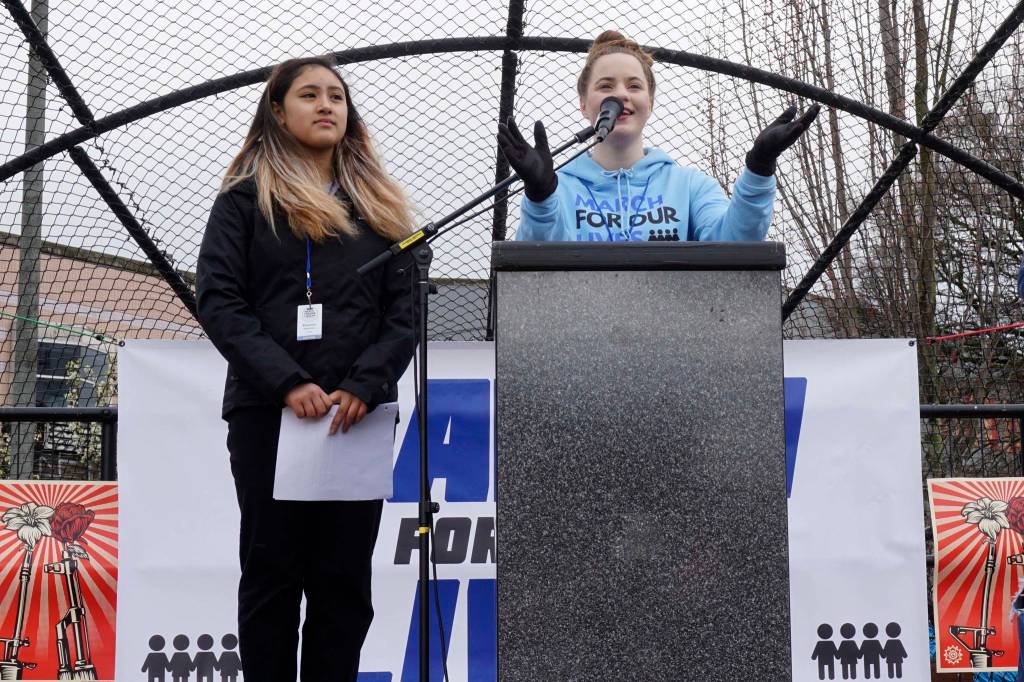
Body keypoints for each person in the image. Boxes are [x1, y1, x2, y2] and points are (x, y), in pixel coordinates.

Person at [195, 55, 417, 682]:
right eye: (310, 95)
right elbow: (219, 300)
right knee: (272, 574)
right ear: (277, 110)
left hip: (357, 419)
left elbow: (404, 316)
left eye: (337, 97)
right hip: (270, 416)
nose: (327, 106)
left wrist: (363, 386)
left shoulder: (384, 212)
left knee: (344, 582)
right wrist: (287, 381)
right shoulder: (244, 201)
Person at [498, 30, 820, 243]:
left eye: (634, 86)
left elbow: (736, 243)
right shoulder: (560, 187)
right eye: (606, 86)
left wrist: (759, 168)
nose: (621, 95)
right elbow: (535, 277)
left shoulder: (690, 187)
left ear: (649, 104)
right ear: (584, 105)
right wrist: (540, 196)